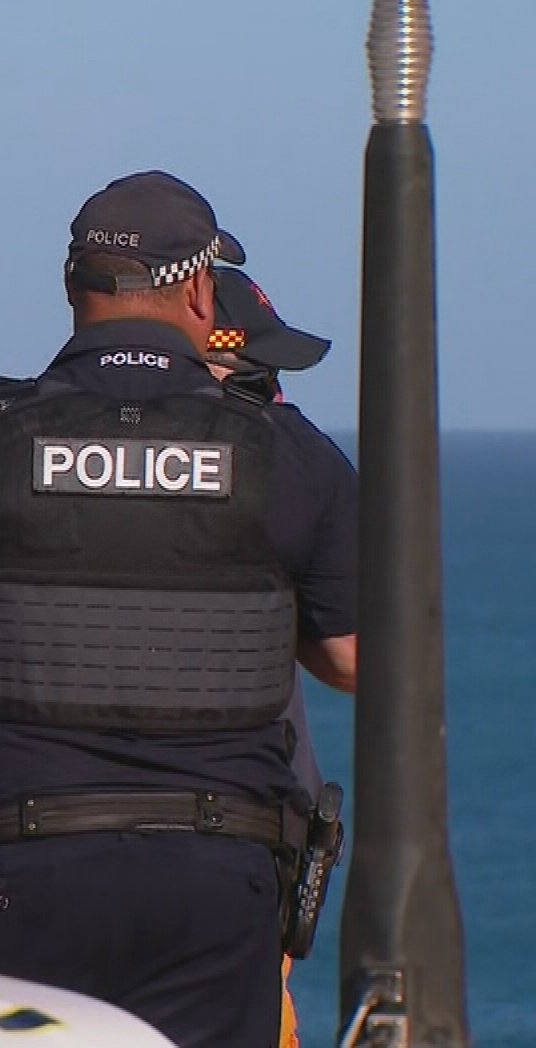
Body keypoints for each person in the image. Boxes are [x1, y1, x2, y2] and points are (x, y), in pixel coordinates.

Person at [0, 171, 357, 1048]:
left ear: (73, 291)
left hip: (22, 875)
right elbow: (357, 661)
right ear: (197, 288)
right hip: (220, 883)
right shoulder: (287, 449)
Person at [209, 263, 348, 1048]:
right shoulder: (286, 464)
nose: (280, 403)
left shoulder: (12, 444)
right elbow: (360, 658)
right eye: (259, 379)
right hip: (239, 860)